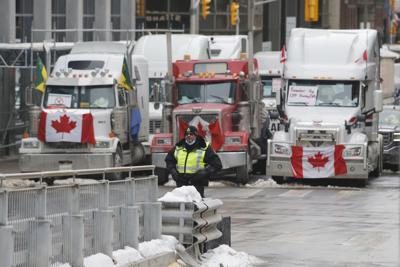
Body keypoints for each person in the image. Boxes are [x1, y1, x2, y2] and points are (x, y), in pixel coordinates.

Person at [165, 125, 222, 198]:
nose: (188, 136)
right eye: (186, 134)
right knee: (182, 205)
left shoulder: (204, 148)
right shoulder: (178, 147)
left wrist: (203, 173)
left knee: (196, 205)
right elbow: (169, 160)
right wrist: (173, 171)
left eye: (191, 134)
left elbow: (217, 165)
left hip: (197, 183)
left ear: (196, 136)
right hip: (181, 182)